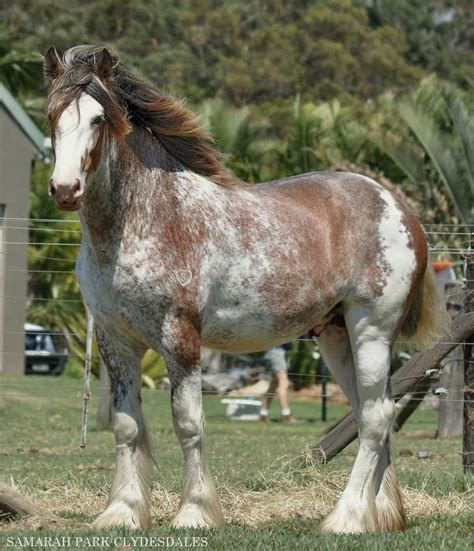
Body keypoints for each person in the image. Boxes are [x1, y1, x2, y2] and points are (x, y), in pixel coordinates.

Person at [258, 344, 302, 423]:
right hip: (277, 352)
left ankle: (263, 414)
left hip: (275, 352)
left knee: (274, 384)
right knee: (283, 383)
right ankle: (286, 416)